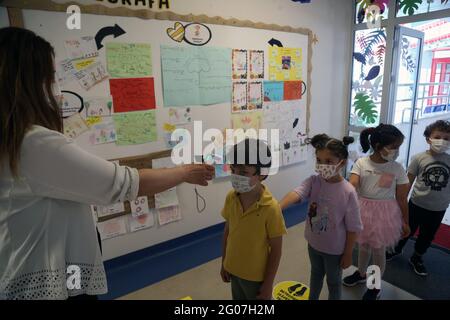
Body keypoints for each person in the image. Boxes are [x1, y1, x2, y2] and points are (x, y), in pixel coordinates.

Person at [0, 27, 214, 300]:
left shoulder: (12, 141)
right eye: (51, 78)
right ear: (30, 81)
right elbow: (125, 184)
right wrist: (184, 172)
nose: (56, 90)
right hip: (46, 281)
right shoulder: (33, 144)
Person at [280, 134, 362, 300]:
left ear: (342, 163)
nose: (322, 166)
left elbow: (353, 228)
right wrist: (277, 207)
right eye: (318, 160)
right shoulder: (314, 181)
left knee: (333, 282)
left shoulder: (348, 192)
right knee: (315, 275)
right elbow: (298, 192)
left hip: (335, 250)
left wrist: (347, 254)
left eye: (328, 161)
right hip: (314, 244)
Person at [343, 124, 410, 300]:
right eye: (394, 147)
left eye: (398, 147)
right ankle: (361, 273)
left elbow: (402, 198)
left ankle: (374, 285)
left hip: (385, 213)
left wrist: (405, 221)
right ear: (379, 146)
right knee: (363, 246)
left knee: (379, 250)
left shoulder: (397, 168)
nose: (396, 151)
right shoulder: (361, 162)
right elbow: (352, 184)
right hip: (362, 209)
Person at [220, 139, 287, 300]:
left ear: (262, 173)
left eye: (243, 173)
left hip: (256, 278)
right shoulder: (231, 197)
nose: (236, 176)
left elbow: (276, 251)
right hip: (233, 270)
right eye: (233, 170)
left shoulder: (271, 208)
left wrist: (268, 284)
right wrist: (224, 263)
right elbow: (227, 232)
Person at [387, 120, 449, 276]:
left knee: (427, 236)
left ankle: (417, 257)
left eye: (447, 138)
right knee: (406, 229)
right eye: (438, 136)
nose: (442, 141)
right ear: (428, 138)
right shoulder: (418, 158)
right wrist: (400, 205)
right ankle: (396, 249)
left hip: (438, 208)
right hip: (416, 204)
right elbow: (407, 182)